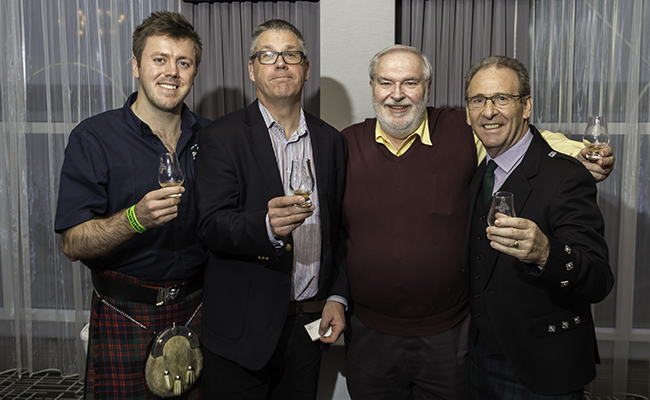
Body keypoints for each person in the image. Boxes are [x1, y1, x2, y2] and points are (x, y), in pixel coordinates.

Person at [340, 45, 615, 400]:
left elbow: (530, 140)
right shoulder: (346, 143)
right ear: (372, 86)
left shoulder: (462, 132)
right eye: (385, 82)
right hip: (378, 335)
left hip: (462, 338)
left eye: (410, 82)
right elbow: (335, 231)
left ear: (427, 88)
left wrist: (579, 153)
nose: (397, 94)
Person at [54, 11, 208, 400]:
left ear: (193, 72)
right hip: (125, 312)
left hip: (200, 308)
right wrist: (135, 220)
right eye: (160, 59)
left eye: (183, 62)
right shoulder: (93, 138)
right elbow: (73, 243)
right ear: (136, 66)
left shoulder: (214, 138)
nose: (171, 72)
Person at [195, 19, 348, 399]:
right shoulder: (220, 137)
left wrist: (337, 297)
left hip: (307, 328)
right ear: (252, 69)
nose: (280, 63)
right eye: (268, 55)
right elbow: (212, 226)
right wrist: (265, 226)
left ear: (306, 68)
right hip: (241, 334)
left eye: (291, 55)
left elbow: (342, 231)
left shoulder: (331, 141)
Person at [464, 55, 614, 399]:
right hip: (478, 359)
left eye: (502, 98)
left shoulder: (567, 176)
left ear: (526, 105)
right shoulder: (475, 174)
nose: (489, 111)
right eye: (477, 100)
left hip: (543, 366)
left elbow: (599, 278)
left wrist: (546, 253)